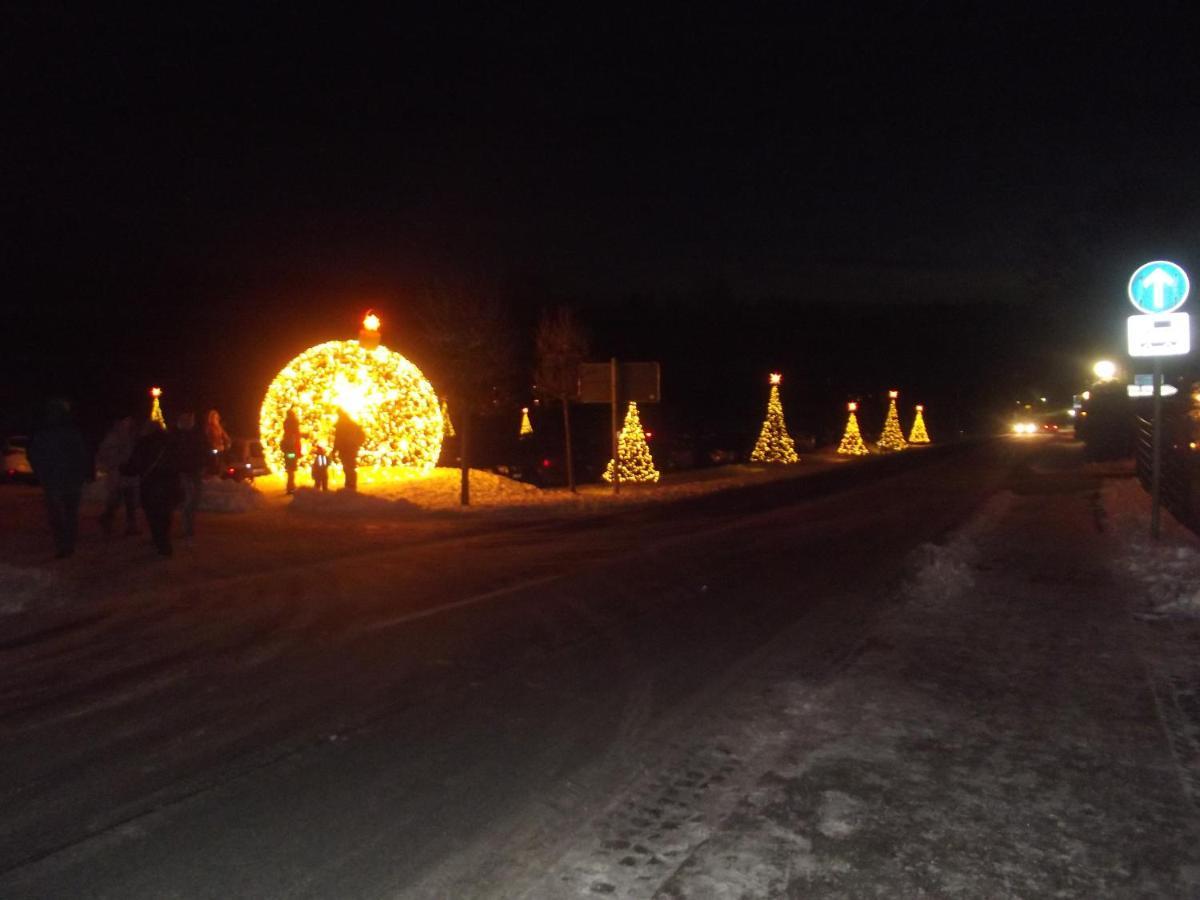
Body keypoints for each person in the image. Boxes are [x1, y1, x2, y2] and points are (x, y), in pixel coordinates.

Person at [27, 398, 90, 559]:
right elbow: (82, 456)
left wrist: (42, 474)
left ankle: (63, 544)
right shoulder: (72, 432)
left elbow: (34, 456)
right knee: (69, 514)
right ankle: (68, 544)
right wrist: (81, 475)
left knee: (58, 515)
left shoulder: (43, 433)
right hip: (69, 480)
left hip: (54, 481)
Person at [123, 419, 183, 557]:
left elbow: (134, 465)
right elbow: (179, 462)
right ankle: (164, 541)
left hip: (151, 484)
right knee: (166, 514)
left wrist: (124, 469)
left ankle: (160, 541)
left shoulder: (144, 443)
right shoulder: (171, 442)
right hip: (170, 483)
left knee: (153, 515)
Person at [96, 415, 140, 536]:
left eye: (130, 421)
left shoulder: (132, 436)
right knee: (115, 501)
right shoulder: (113, 436)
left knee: (130, 502)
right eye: (126, 420)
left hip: (130, 474)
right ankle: (106, 519)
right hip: (118, 474)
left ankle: (131, 526)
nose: (128, 423)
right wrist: (120, 459)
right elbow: (105, 454)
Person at [175, 412, 209, 539]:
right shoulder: (177, 436)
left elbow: (205, 450)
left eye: (189, 419)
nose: (188, 422)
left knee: (195, 499)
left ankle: (189, 524)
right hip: (184, 472)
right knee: (187, 499)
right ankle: (186, 526)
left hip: (195, 471)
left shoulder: (197, 435)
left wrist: (204, 465)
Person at [333, 408, 365, 491]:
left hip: (345, 449)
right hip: (350, 449)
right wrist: (356, 444)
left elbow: (338, 439)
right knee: (349, 467)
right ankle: (351, 486)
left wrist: (334, 450)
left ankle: (350, 486)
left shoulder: (341, 425)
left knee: (348, 468)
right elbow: (361, 436)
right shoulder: (352, 424)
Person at [204, 409, 232, 477]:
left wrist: (228, 442)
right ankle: (212, 474)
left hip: (221, 449)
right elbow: (206, 438)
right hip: (212, 449)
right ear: (211, 418)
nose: (216, 419)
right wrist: (210, 445)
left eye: (216, 417)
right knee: (214, 462)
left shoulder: (219, 428)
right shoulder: (209, 428)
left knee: (221, 463)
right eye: (214, 417)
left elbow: (225, 436)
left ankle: (219, 475)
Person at [282, 408, 302, 494]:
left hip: (288, 450)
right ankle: (290, 487)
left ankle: (290, 486)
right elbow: (296, 438)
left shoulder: (286, 426)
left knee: (290, 469)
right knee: (291, 468)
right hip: (291, 450)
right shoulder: (292, 433)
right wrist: (296, 452)